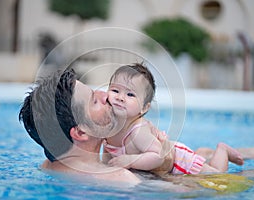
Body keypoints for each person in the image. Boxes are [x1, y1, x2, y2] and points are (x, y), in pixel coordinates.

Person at [103, 63, 245, 175]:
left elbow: (158, 156)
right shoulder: (109, 127)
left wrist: (130, 160)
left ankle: (223, 150)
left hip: (181, 162)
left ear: (144, 108)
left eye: (130, 95)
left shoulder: (138, 131)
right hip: (170, 159)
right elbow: (109, 154)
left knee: (216, 175)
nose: (120, 98)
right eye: (115, 90)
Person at [19, 68, 141, 185]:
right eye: (94, 101)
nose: (105, 95)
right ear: (80, 132)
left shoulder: (47, 167)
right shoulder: (121, 179)